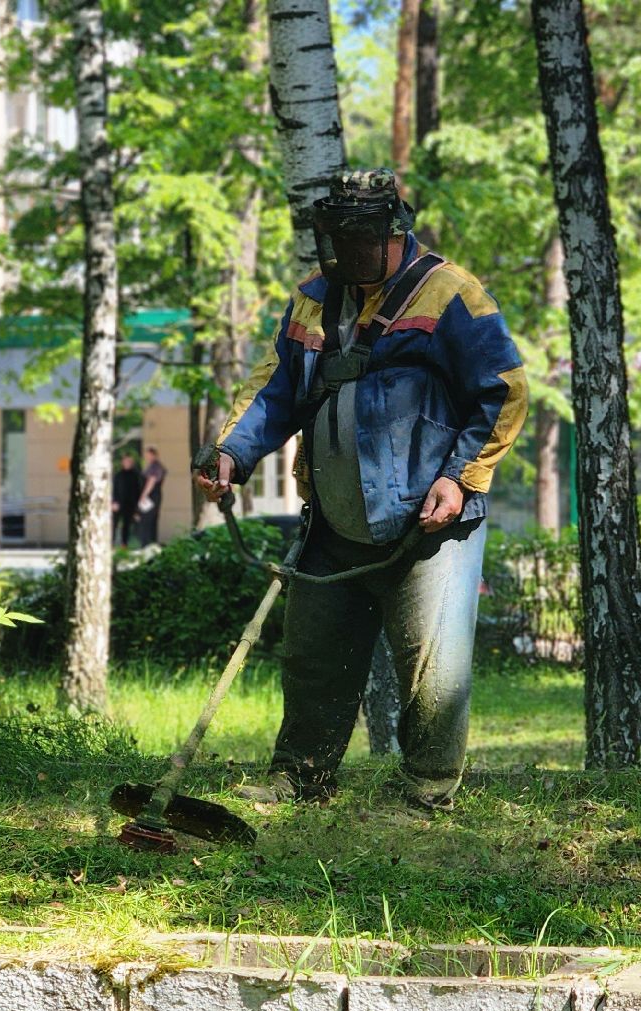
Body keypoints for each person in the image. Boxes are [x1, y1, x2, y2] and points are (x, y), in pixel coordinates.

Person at [195, 167, 526, 810]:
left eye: (357, 240)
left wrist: (459, 478)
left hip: (429, 527)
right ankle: (301, 778)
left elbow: (505, 390)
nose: (342, 254)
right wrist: (231, 452)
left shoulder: (451, 293)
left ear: (393, 232)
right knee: (313, 656)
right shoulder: (313, 299)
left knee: (433, 671)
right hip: (333, 521)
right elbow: (274, 390)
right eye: (333, 239)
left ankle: (427, 792)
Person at [136, 445, 167, 547]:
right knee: (151, 519)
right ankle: (150, 542)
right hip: (154, 496)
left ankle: (147, 543)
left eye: (149, 455)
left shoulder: (155, 466)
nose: (147, 457)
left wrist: (143, 496)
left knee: (147, 519)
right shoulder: (153, 466)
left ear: (154, 455)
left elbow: (151, 481)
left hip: (151, 496)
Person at [111, 450, 143, 547]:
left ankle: (124, 544)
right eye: (125, 461)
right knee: (113, 524)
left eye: (129, 461)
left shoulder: (136, 475)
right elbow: (114, 489)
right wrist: (113, 502)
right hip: (118, 503)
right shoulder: (118, 475)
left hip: (130, 504)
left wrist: (137, 507)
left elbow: (138, 491)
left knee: (126, 525)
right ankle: (111, 544)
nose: (127, 463)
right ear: (122, 462)